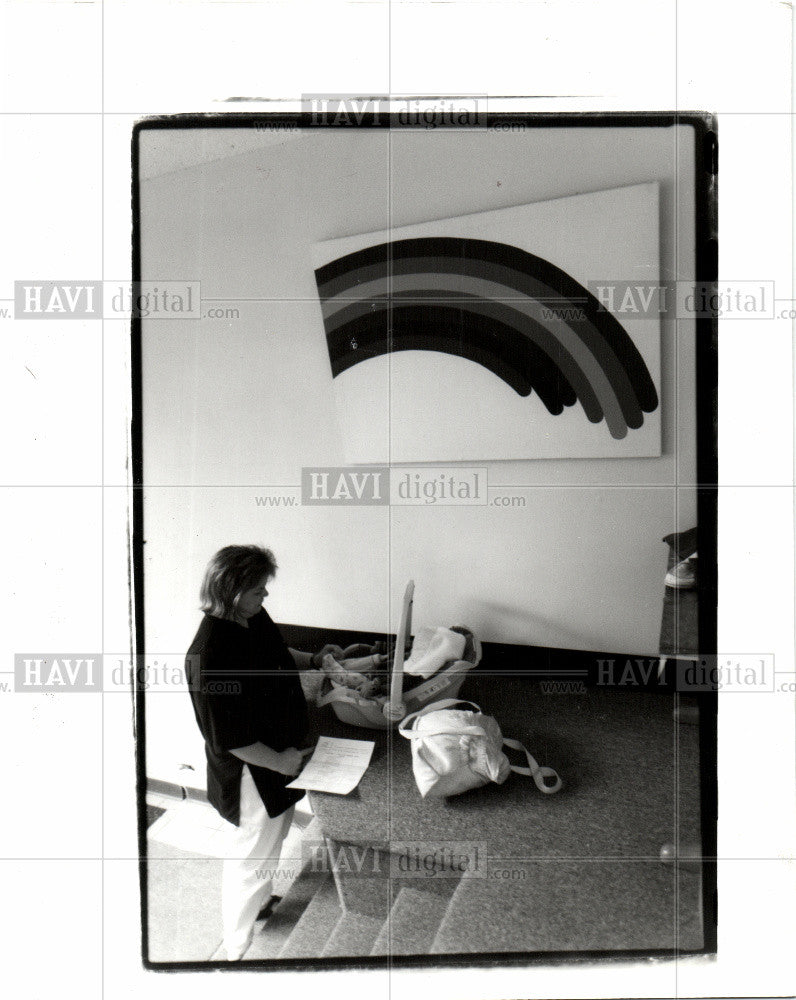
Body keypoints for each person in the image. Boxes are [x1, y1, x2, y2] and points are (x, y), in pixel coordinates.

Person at [185, 544, 345, 961]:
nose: (265, 597)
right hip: (252, 773)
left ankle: (259, 905)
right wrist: (283, 763)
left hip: (277, 756)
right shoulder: (209, 657)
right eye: (258, 590)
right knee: (250, 857)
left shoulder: (249, 616)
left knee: (271, 840)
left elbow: (276, 654)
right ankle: (236, 948)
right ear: (230, 591)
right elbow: (230, 737)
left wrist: (313, 658)